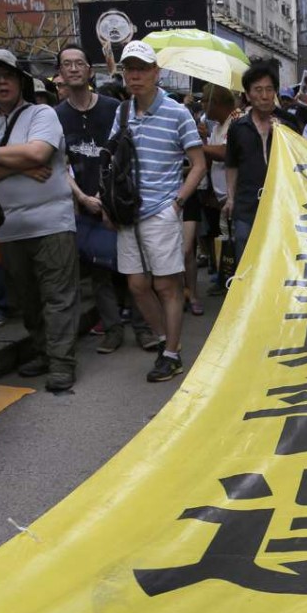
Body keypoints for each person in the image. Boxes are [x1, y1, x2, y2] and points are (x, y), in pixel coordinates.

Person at [0, 48, 80, 392]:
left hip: (52, 222)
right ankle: (43, 351)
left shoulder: (42, 113)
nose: (2, 82)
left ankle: (62, 363)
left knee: (58, 296)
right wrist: (19, 166)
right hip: (8, 228)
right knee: (27, 300)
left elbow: (38, 152)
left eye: (8, 76)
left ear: (20, 81)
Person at [53, 43, 158, 355]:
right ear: (60, 73)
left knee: (135, 269)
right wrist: (82, 197)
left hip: (120, 202)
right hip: (83, 206)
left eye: (79, 63)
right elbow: (59, 164)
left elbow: (127, 154)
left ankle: (143, 328)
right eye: (67, 64)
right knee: (99, 273)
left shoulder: (115, 108)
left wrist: (106, 191)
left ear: (90, 70)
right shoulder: (55, 116)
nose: (73, 68)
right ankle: (112, 330)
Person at [111, 41, 206, 382]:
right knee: (137, 285)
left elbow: (198, 164)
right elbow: (113, 159)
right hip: (128, 213)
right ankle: (167, 341)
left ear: (156, 72)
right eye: (129, 69)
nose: (135, 75)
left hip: (161, 211)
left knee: (166, 286)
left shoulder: (177, 113)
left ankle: (171, 354)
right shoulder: (122, 112)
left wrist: (177, 202)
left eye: (142, 69)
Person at [224, 62, 300, 264]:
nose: (265, 96)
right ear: (248, 95)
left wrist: (283, 135)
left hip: (281, 203)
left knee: (279, 257)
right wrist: (230, 198)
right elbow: (231, 164)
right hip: (247, 203)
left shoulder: (289, 124)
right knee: (246, 253)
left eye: (269, 89)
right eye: (258, 90)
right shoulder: (238, 127)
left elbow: (298, 160)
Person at [200, 83, 236, 292]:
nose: (202, 105)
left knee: (236, 239)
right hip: (221, 197)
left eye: (204, 101)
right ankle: (225, 277)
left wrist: (200, 146)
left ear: (215, 102)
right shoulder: (216, 127)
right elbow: (210, 158)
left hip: (236, 196)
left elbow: (225, 152)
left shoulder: (236, 121)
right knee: (226, 239)